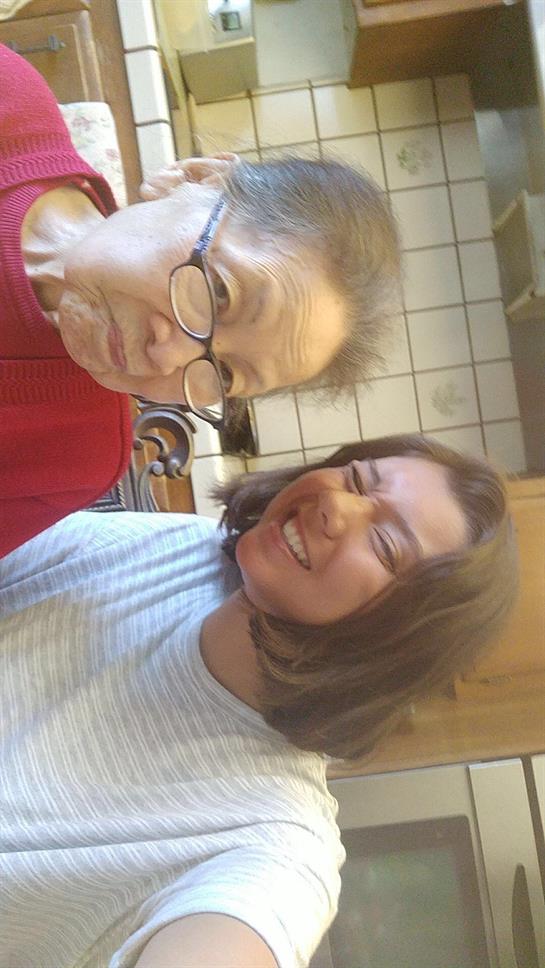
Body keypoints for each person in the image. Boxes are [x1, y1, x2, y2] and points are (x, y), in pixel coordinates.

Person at [0, 433, 517, 968]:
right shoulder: (185, 548)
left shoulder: (278, 851)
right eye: (357, 478)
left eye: (385, 545)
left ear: (397, 645)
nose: (336, 505)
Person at [0, 43, 401, 558]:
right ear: (195, 179)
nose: (166, 357)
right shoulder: (12, 106)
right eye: (218, 293)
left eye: (227, 374)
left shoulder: (79, 453)